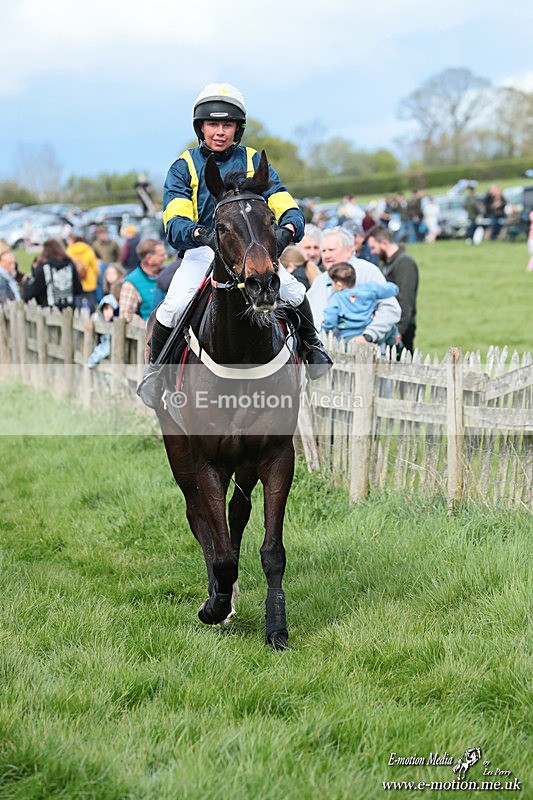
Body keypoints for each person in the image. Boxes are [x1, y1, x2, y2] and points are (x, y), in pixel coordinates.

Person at [138, 82, 331, 408]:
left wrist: (285, 232)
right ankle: (155, 374)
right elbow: (175, 225)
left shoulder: (255, 160)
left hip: (253, 249)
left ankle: (313, 348)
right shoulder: (183, 167)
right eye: (213, 124)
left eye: (226, 125)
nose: (219, 132)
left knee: (294, 291)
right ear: (201, 126)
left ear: (237, 128)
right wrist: (205, 236)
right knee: (172, 307)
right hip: (204, 251)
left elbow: (288, 206)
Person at [306, 226, 401, 344]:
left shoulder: (367, 271)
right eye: (323, 251)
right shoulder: (320, 281)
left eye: (331, 250)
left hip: (365, 351)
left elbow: (390, 308)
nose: (326, 256)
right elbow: (308, 314)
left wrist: (368, 336)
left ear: (349, 251)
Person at [366, 225, 419, 354]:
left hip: (401, 329)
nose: (372, 252)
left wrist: (399, 330)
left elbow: (405, 299)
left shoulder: (404, 262)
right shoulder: (387, 263)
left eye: (373, 248)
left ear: (384, 243)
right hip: (389, 325)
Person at [322, 262, 399, 344]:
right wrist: (395, 289)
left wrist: (323, 331)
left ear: (339, 285)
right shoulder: (369, 289)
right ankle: (395, 346)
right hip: (368, 333)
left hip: (348, 337)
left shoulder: (336, 299)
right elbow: (391, 289)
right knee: (392, 328)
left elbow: (330, 320)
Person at [24, 238, 83, 310]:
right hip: (69, 309)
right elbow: (78, 288)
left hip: (48, 310)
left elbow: (34, 290)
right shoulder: (70, 265)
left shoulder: (43, 267)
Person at [119, 238, 166, 323]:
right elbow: (126, 315)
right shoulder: (132, 282)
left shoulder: (167, 275)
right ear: (149, 258)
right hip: (148, 332)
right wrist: (147, 327)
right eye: (161, 255)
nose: (165, 257)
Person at [66, 231, 99, 310]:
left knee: (77, 303)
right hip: (89, 281)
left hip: (75, 282)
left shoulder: (69, 251)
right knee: (91, 303)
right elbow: (95, 269)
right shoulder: (89, 250)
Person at [87, 294, 119, 368]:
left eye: (111, 309)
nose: (108, 312)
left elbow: (106, 348)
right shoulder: (100, 324)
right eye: (106, 309)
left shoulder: (116, 325)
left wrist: (94, 358)